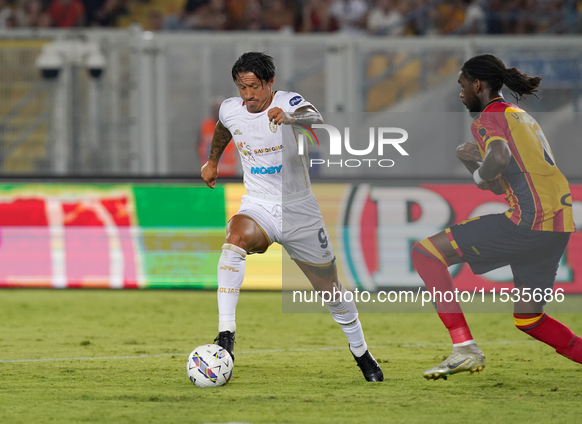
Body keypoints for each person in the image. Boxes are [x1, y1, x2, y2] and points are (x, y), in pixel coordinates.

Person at [201, 52, 383, 382]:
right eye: (242, 87)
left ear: (270, 83)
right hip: (259, 205)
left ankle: (361, 353)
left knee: (330, 290)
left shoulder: (287, 101)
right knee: (234, 238)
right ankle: (226, 334)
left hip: (300, 210)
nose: (248, 95)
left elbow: (313, 116)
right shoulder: (231, 108)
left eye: (254, 87)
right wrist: (213, 161)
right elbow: (224, 127)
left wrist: (288, 118)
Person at [411, 53, 581, 381]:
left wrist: (476, 172)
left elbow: (499, 158)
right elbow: (498, 182)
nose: (460, 94)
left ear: (478, 84)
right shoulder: (520, 116)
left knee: (426, 254)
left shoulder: (489, 118)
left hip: (529, 220)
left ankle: (464, 348)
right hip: (557, 223)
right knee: (529, 319)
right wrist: (470, 162)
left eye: (462, 86)